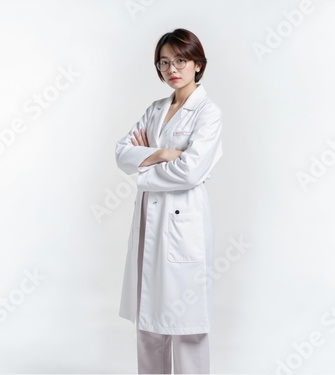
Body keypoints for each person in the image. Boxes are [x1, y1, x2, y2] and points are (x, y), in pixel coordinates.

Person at [115, 28, 223, 374]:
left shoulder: (207, 112)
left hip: (183, 226)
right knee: (149, 323)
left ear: (197, 64)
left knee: (187, 326)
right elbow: (121, 153)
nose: (171, 68)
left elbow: (191, 171)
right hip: (150, 224)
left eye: (180, 60)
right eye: (164, 62)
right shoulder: (156, 109)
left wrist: (145, 168)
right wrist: (162, 152)